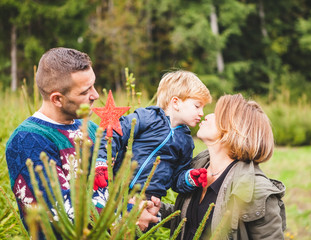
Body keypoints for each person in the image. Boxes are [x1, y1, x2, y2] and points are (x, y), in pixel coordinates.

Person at [5, 47, 159, 236]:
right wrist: (127, 213)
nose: (95, 95)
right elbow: (58, 208)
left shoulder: (92, 131)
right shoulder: (28, 140)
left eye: (93, 85)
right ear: (57, 99)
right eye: (85, 92)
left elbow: (112, 184)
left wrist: (140, 204)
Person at [157, 93, 286, 239]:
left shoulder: (256, 191)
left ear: (234, 128)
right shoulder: (197, 167)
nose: (206, 116)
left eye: (217, 115)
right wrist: (154, 210)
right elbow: (191, 221)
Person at [97, 70, 212, 200]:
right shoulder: (146, 118)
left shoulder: (186, 141)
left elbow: (176, 179)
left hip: (150, 199)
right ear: (176, 103)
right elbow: (114, 133)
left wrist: (189, 178)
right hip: (118, 191)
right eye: (197, 106)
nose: (201, 113)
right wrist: (101, 161)